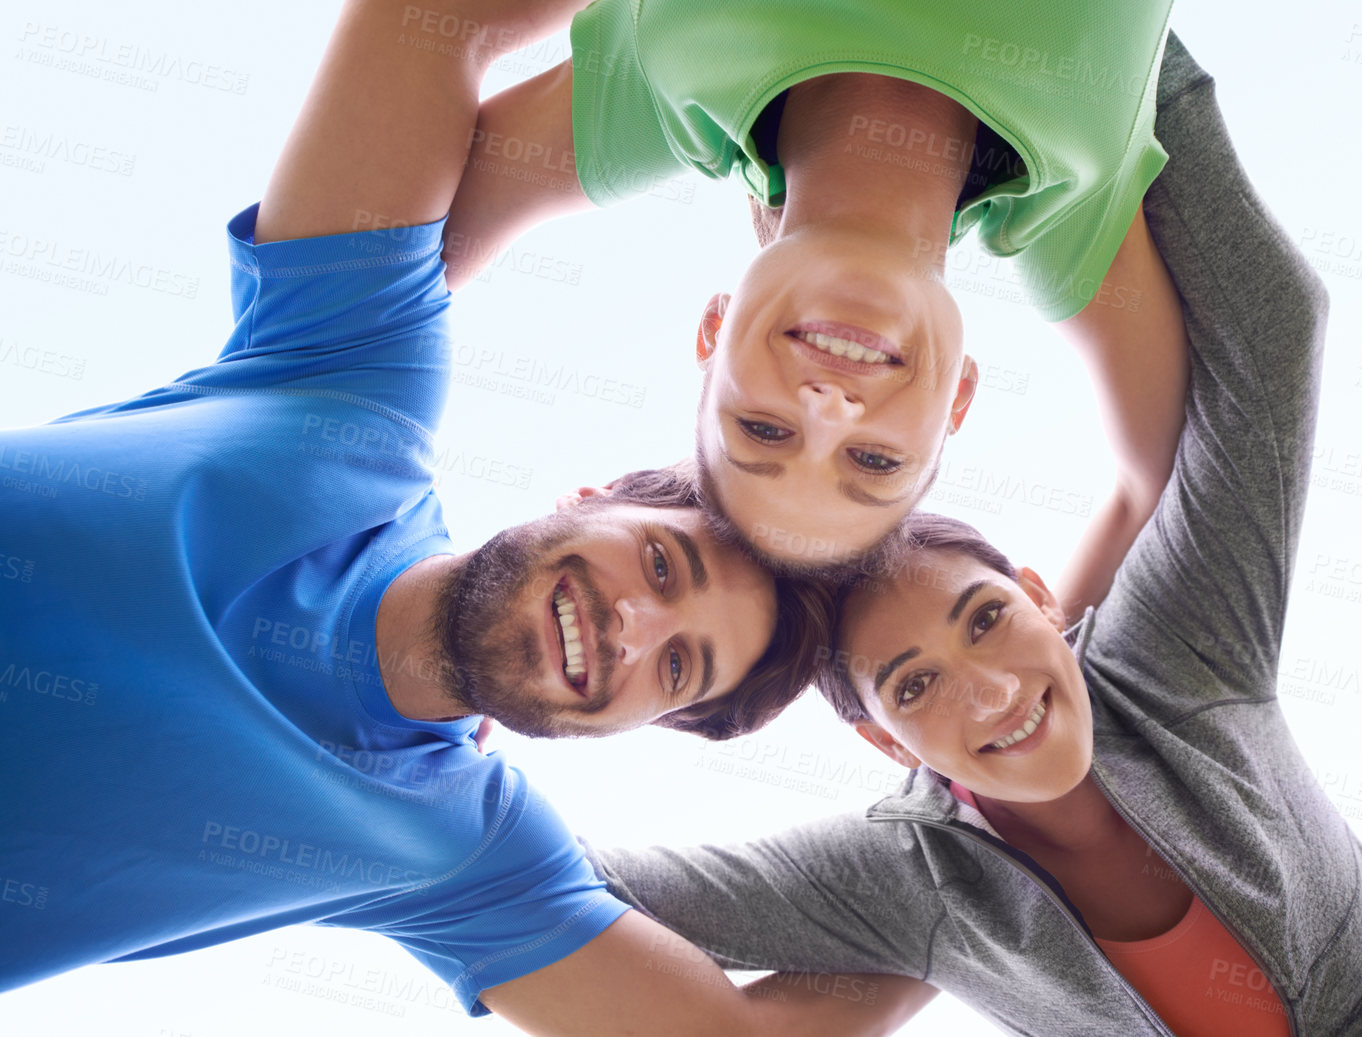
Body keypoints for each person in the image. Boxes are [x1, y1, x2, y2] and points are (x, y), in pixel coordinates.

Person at [585, 38, 1362, 1036]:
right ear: (887, 740)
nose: (993, 689)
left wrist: (1131, 56)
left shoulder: (1171, 659)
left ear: (1038, 594)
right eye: (913, 685)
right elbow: (611, 893)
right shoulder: (914, 877)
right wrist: (452, 692)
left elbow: (1274, 331)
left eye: (984, 620)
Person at [0, 2, 934, 1032]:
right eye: (663, 567)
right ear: (589, 498)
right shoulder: (352, 390)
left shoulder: (456, 849)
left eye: (678, 668)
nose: (634, 628)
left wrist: (984, 853)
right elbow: (424, 22)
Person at [437, 0, 1194, 608]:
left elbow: (379, 255)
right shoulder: (1067, 195)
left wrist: (470, 610)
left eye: (763, 429)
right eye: (873, 460)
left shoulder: (679, 77)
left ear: (712, 331)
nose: (829, 408)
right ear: (959, 394)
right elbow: (1150, 482)